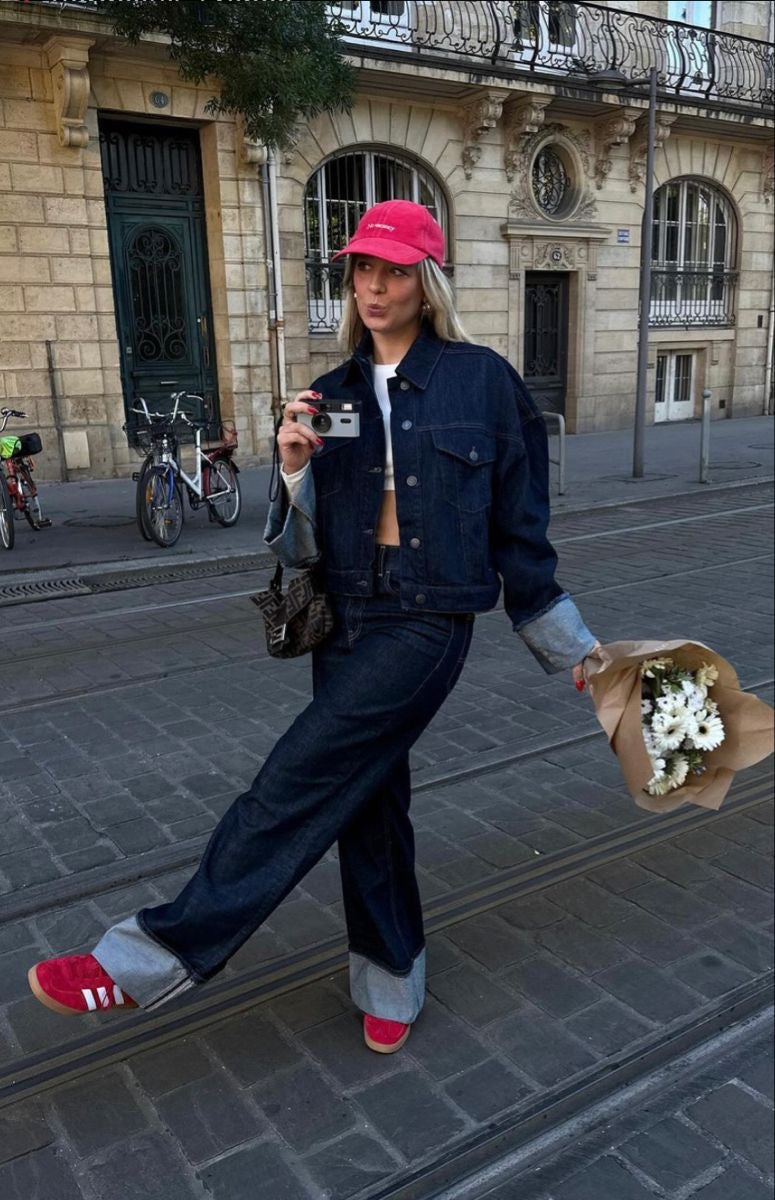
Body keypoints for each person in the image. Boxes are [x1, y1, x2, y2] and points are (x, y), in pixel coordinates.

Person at [27, 200, 599, 1054]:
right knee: (368, 802)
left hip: (425, 619)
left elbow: (520, 525)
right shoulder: (329, 394)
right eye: (363, 269)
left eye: (394, 271)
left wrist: (569, 645)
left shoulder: (481, 381)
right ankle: (391, 977)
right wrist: (293, 471)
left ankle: (150, 957)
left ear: (426, 282)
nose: (375, 287)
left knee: (294, 780)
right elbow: (299, 550)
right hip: (344, 618)